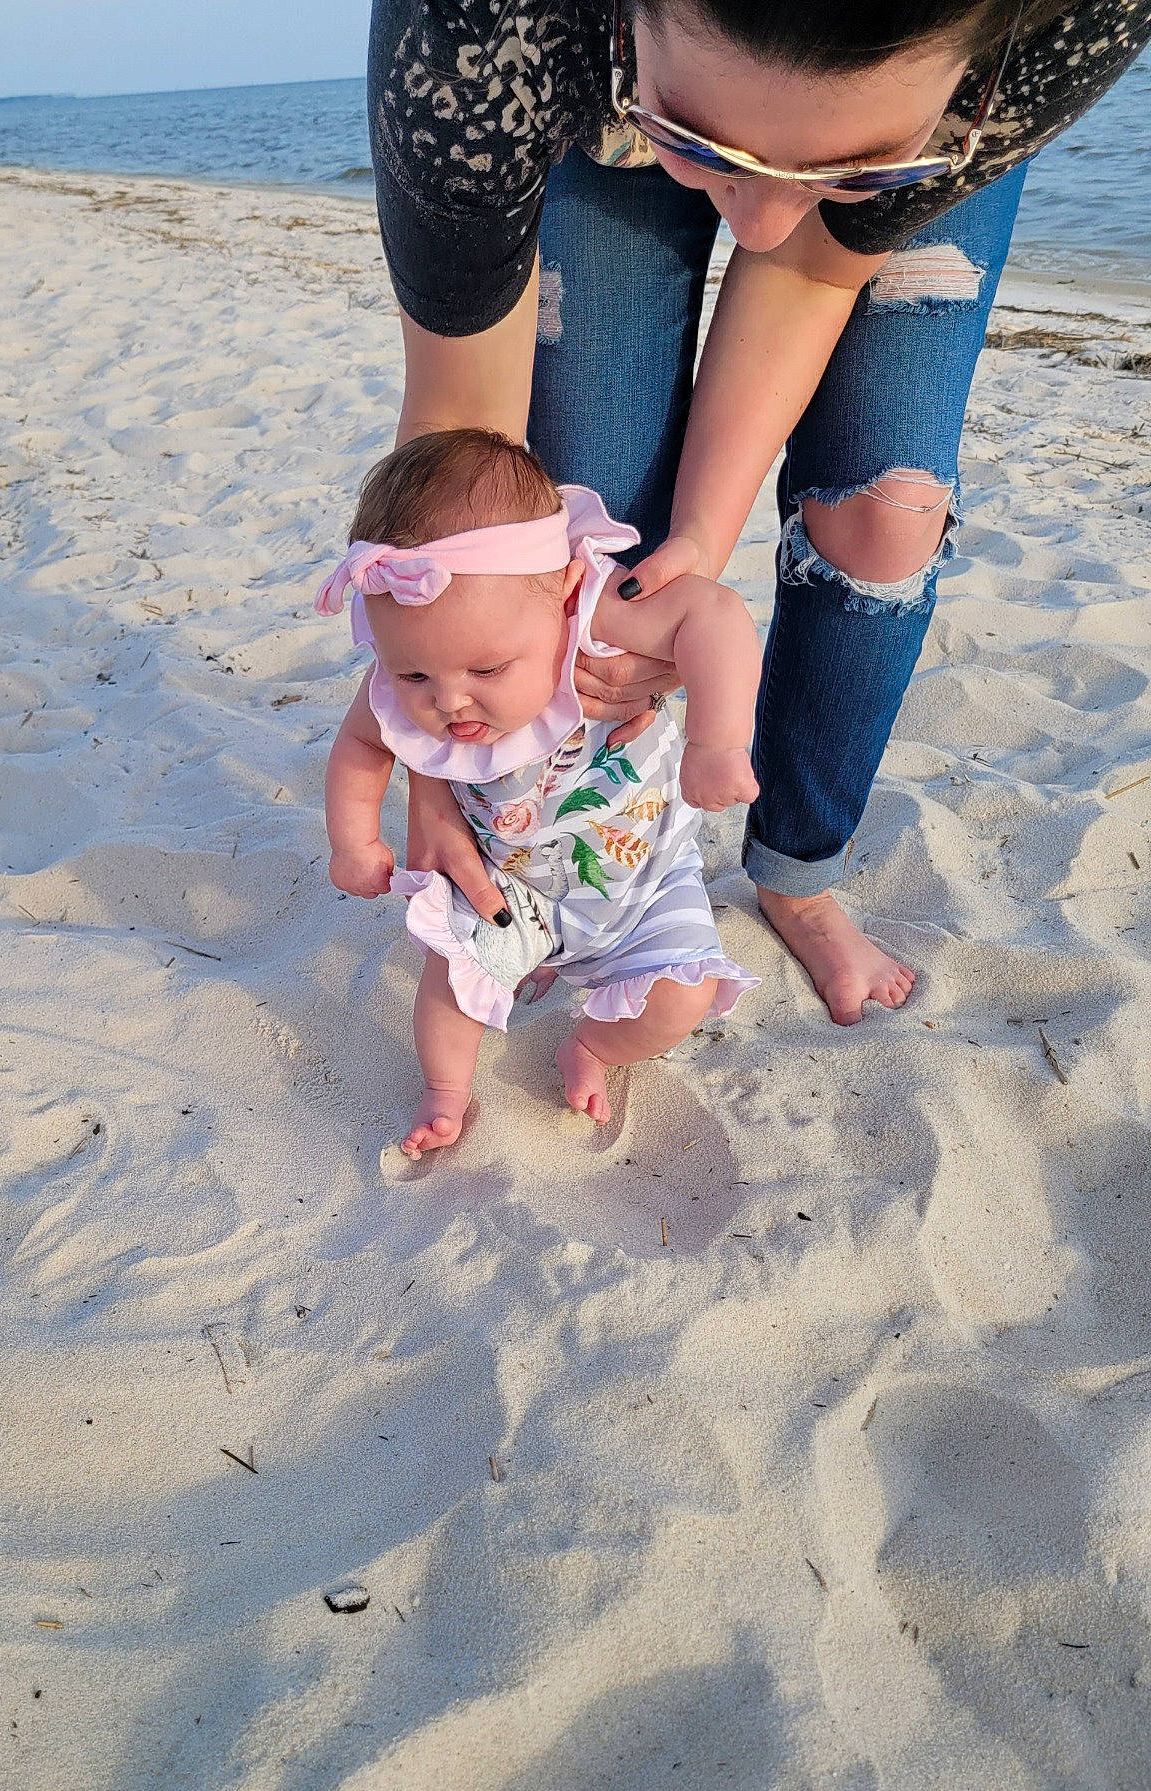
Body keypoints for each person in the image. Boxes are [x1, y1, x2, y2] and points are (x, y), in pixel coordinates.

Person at [366, 0, 1151, 1023]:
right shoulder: (473, 40)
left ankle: (797, 869)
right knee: (587, 538)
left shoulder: (1073, 19)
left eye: (854, 166)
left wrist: (705, 536)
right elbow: (462, 429)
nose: (762, 220)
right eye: (704, 142)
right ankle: (563, 866)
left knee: (886, 513)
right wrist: (437, 762)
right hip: (591, 107)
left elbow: (805, 265)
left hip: (917, 111)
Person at [318, 429, 760, 1156]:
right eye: (417, 676)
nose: (449, 704)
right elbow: (363, 744)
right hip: (505, 881)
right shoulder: (406, 680)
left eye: (488, 669)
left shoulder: (593, 620)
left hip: (641, 878)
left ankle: (591, 1047)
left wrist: (717, 741)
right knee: (454, 976)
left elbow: (713, 614)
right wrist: (353, 841)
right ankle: (446, 1093)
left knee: (682, 999)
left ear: (560, 588)